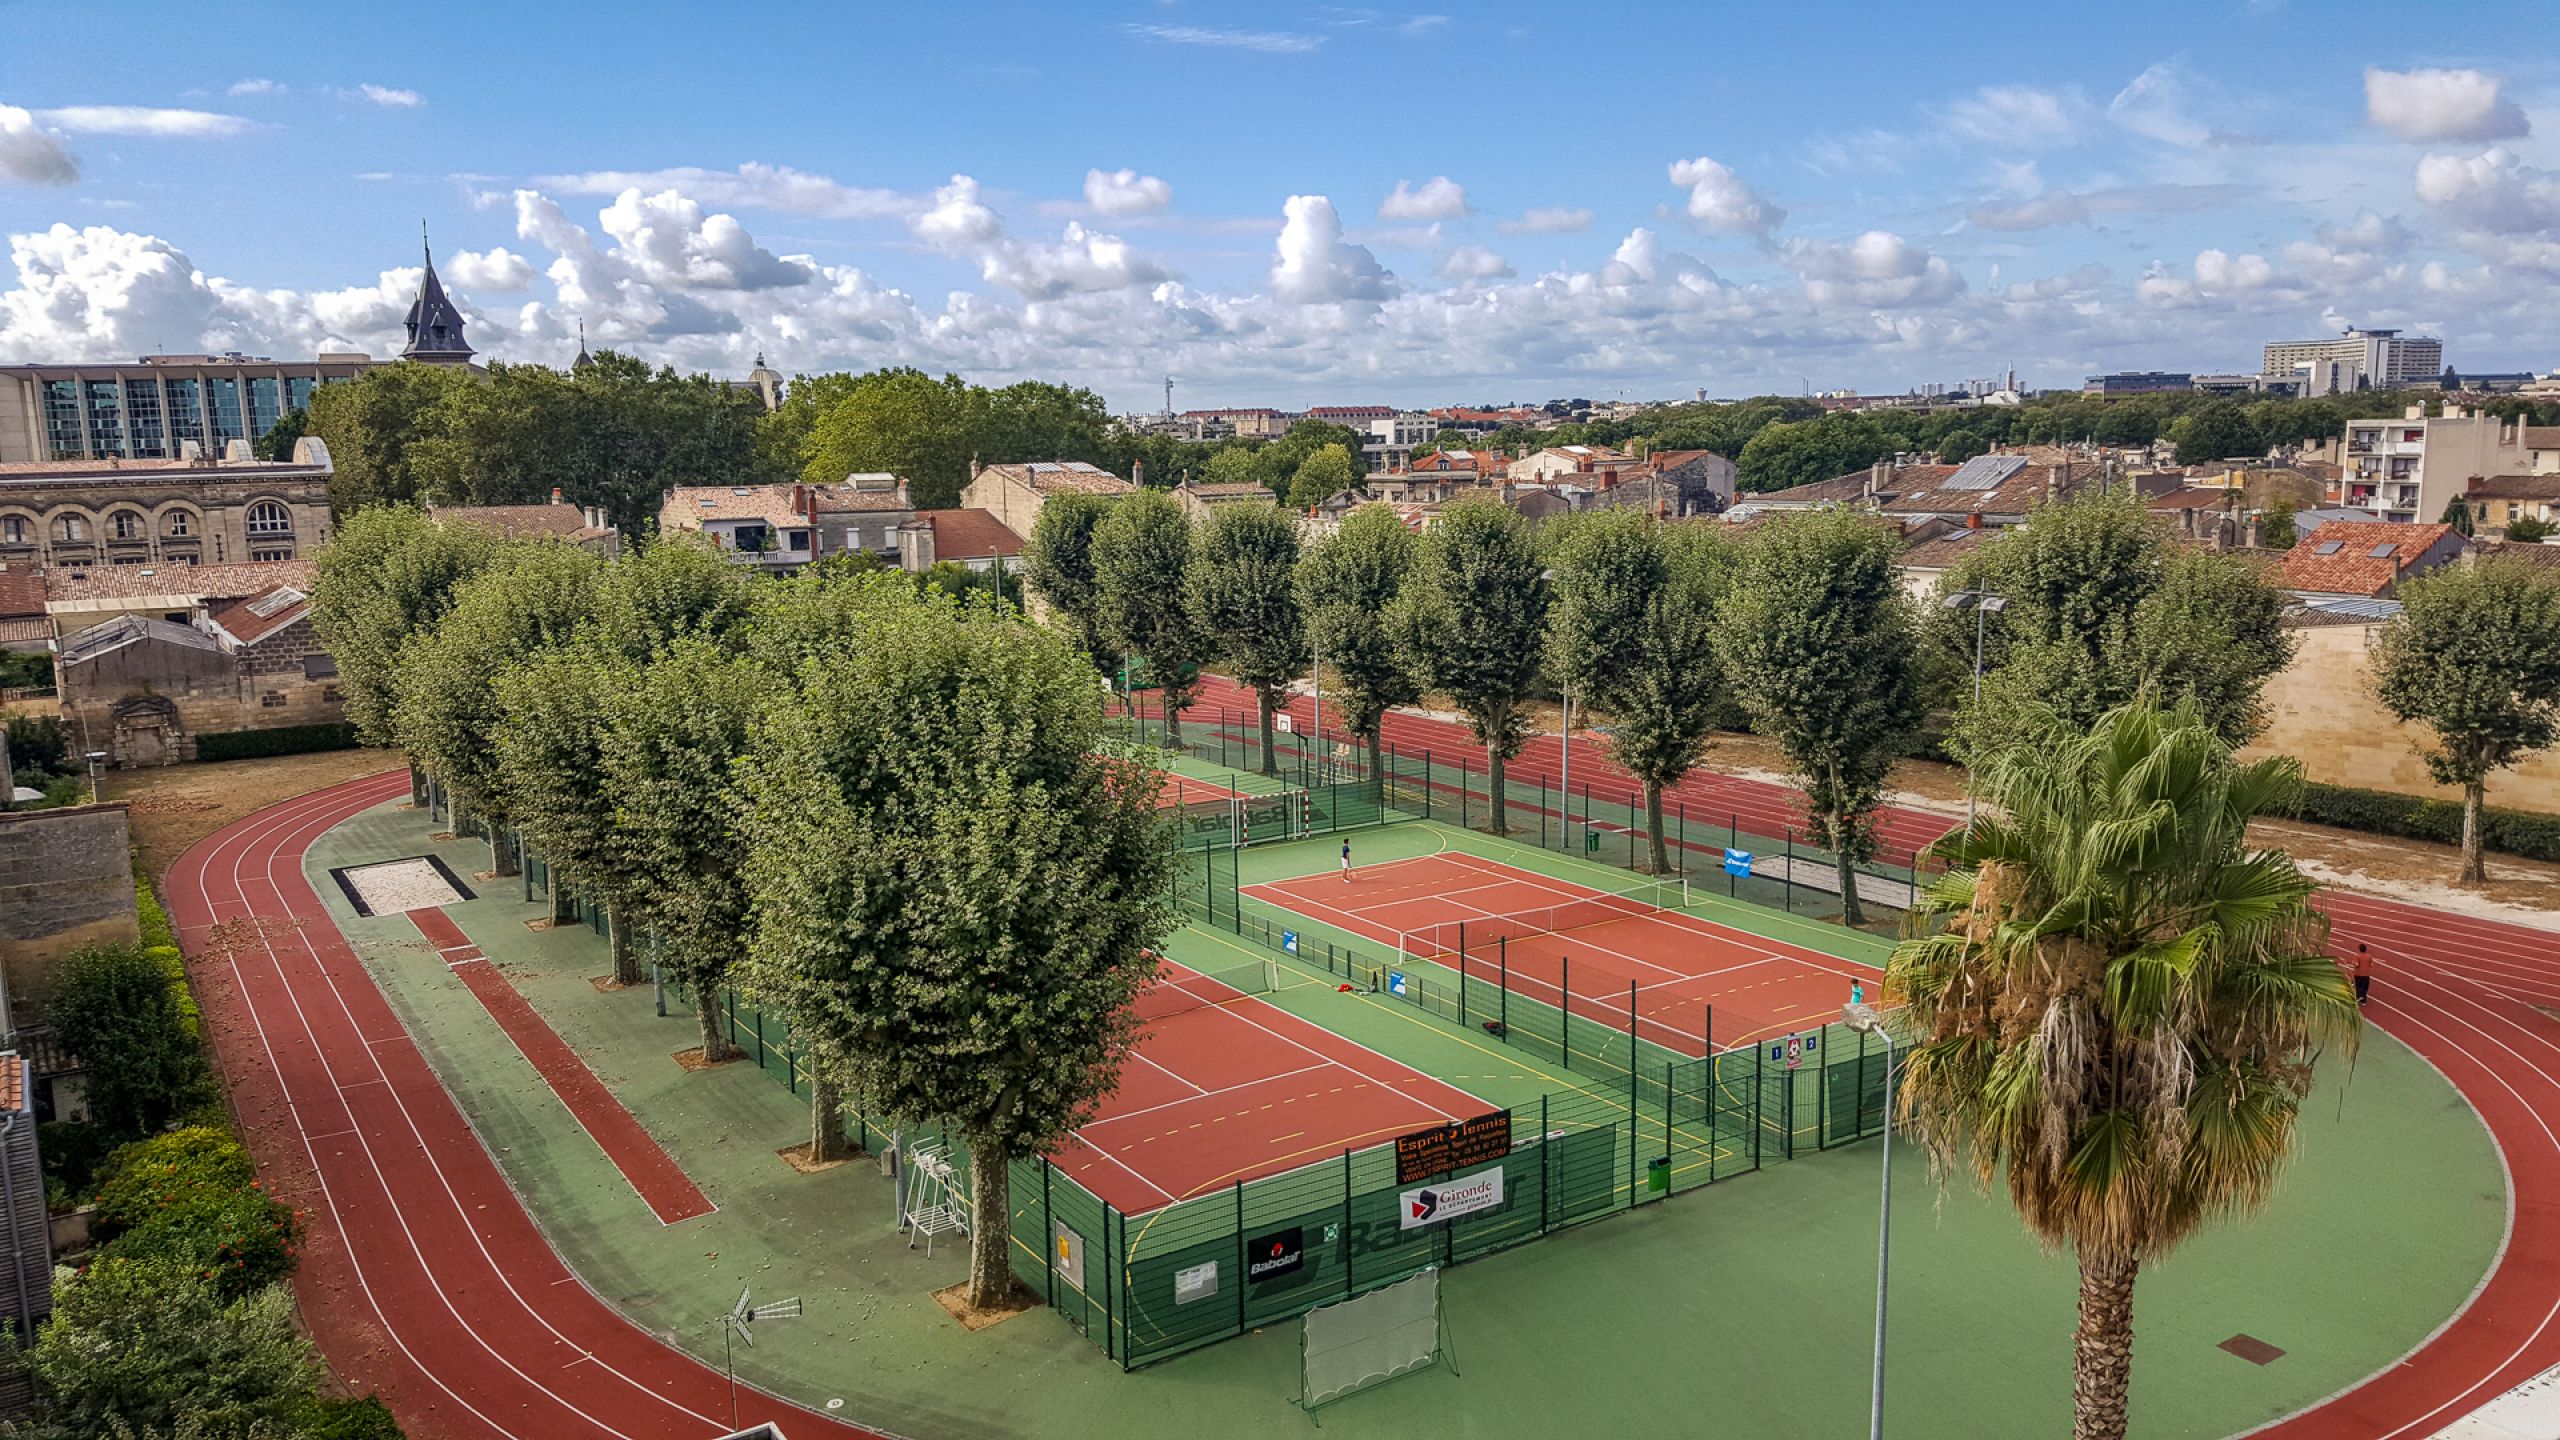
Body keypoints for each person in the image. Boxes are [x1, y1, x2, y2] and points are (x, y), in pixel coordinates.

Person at [2351, 943, 2372, 1007]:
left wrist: (2353, 963)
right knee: (2365, 987)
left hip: (2358, 974)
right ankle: (2364, 1001)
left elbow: (2357, 965)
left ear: (2360, 949)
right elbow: (2371, 965)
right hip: (2366, 974)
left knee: (2357, 986)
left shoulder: (2358, 956)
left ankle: (2359, 997)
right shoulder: (2369, 956)